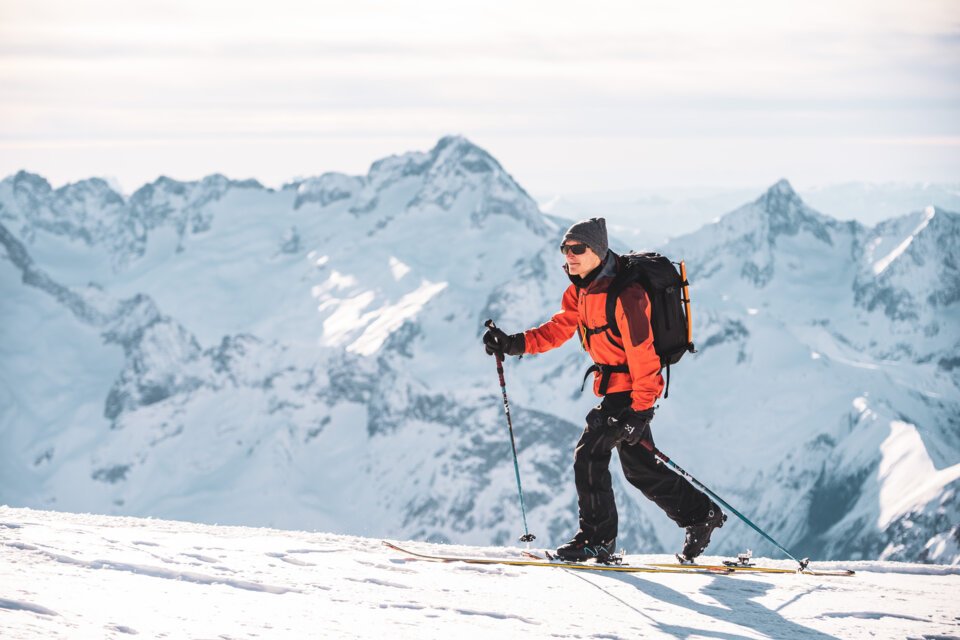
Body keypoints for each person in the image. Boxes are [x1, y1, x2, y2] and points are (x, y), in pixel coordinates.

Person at [482, 217, 725, 563]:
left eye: (577, 249)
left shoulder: (626, 294)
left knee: (590, 452)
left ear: (597, 251)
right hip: (616, 389)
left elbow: (644, 355)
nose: (570, 256)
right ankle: (701, 516)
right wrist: (513, 343)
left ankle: (597, 539)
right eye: (565, 249)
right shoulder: (581, 291)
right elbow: (558, 329)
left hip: (632, 391)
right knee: (640, 468)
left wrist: (640, 411)